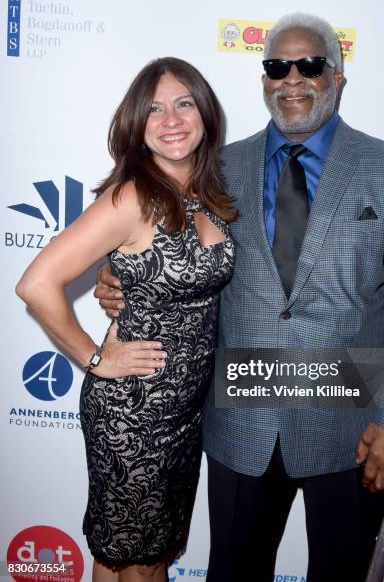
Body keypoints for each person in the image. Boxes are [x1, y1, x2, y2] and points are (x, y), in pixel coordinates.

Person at [95, 13, 384, 582]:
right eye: (276, 66)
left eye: (310, 64)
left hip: (351, 431)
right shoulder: (212, 169)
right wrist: (117, 277)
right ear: (263, 80)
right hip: (241, 425)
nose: (292, 78)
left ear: (336, 77)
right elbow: (164, 249)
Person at [16, 57, 236, 582]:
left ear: (205, 113)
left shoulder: (207, 195)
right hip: (132, 414)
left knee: (140, 555)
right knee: (136, 560)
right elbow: (36, 284)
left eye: (184, 103)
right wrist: (95, 357)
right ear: (137, 126)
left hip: (184, 414)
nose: (171, 119)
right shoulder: (132, 196)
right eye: (154, 109)